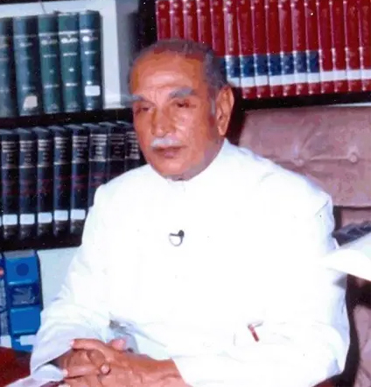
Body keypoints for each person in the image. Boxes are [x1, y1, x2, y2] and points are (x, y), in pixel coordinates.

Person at [29, 39, 350, 387]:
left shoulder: (293, 203)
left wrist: (155, 375)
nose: (160, 127)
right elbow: (72, 310)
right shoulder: (116, 199)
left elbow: (315, 347)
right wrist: (80, 359)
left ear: (221, 110)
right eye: (144, 109)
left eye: (180, 104)